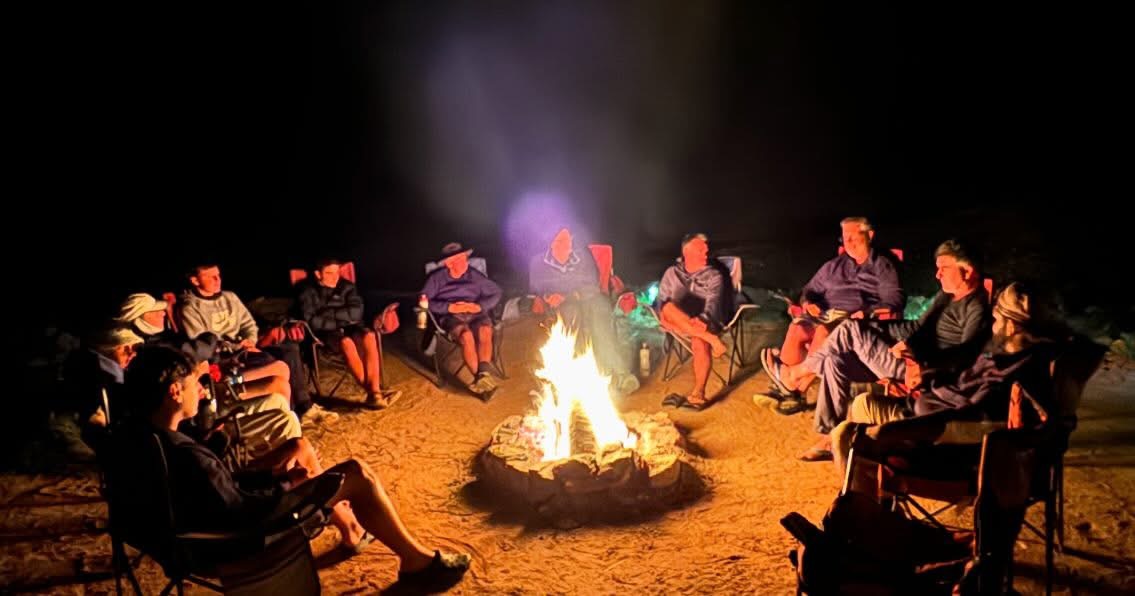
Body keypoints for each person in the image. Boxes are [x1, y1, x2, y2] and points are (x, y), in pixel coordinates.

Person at [115, 346, 471, 589]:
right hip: (240, 543)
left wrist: (273, 475)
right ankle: (415, 561)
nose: (203, 393)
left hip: (192, 538)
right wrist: (285, 487)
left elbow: (218, 494)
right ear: (175, 392)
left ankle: (360, 534)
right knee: (356, 473)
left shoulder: (138, 438)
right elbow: (238, 512)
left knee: (300, 454)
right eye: (196, 385)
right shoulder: (184, 454)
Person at [529, 227, 639, 394]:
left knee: (601, 320)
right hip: (563, 305)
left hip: (589, 298)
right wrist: (547, 296)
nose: (567, 245)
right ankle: (577, 379)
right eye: (561, 241)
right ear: (551, 244)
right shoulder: (538, 263)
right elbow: (537, 289)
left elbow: (591, 285)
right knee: (570, 318)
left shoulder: (582, 256)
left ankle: (622, 374)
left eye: (569, 240)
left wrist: (566, 294)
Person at [297, 258, 401, 407]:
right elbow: (311, 320)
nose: (335, 277)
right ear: (318, 274)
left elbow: (356, 312)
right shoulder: (307, 291)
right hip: (326, 332)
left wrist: (328, 313)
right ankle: (375, 393)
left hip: (351, 326)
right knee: (346, 342)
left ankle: (374, 394)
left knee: (369, 336)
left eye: (337, 272)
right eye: (329, 273)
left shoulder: (347, 287)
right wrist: (340, 317)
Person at [656, 233, 730, 410]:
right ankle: (712, 340)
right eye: (700, 250)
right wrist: (664, 316)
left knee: (699, 340)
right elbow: (661, 302)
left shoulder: (714, 275)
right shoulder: (671, 273)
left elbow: (713, 303)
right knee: (667, 308)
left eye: (706, 250)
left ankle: (698, 393)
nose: (706, 254)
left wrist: (703, 319)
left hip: (706, 321)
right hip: (677, 319)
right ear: (687, 251)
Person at [421, 242, 503, 398]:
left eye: (465, 257)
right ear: (449, 263)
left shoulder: (474, 275)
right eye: (460, 259)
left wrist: (479, 306)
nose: (466, 261)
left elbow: (496, 292)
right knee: (466, 336)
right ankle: (480, 379)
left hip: (475, 312)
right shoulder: (436, 279)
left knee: (485, 330)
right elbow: (424, 302)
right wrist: (449, 307)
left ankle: (483, 376)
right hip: (452, 316)